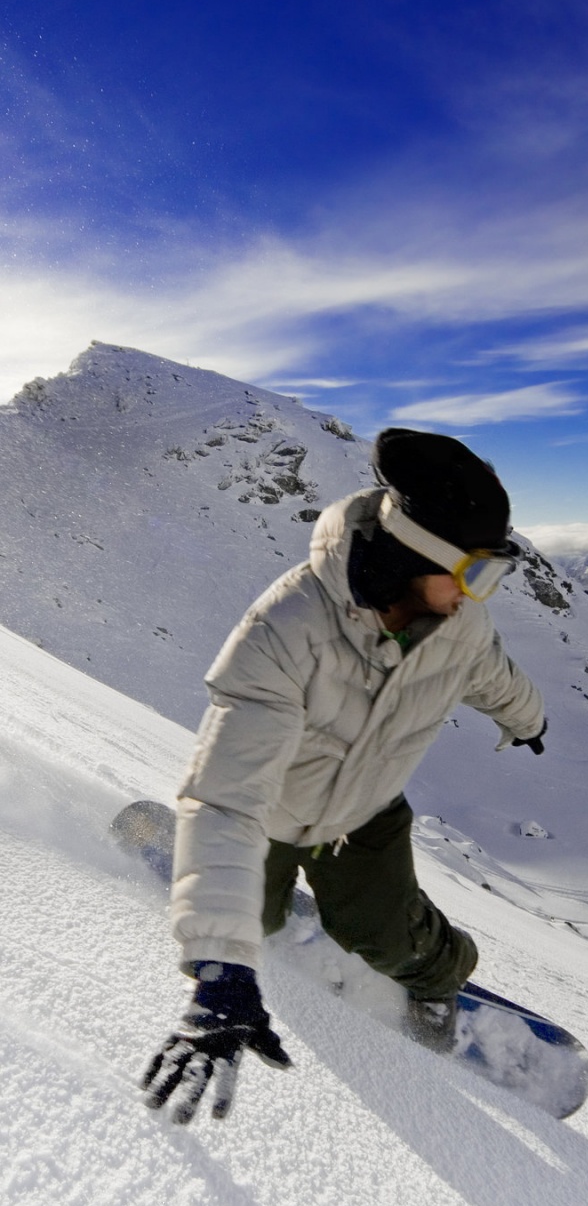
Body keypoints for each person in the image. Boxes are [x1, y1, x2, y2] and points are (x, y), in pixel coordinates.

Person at [141, 428, 546, 1124]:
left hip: (365, 811)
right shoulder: (284, 631)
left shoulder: (456, 624)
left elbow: (491, 675)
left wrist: (528, 719)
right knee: (253, 924)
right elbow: (227, 800)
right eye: (476, 574)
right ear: (413, 555)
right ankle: (230, 893)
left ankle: (440, 977)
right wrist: (221, 969)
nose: (480, 596)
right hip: (268, 812)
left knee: (392, 939)